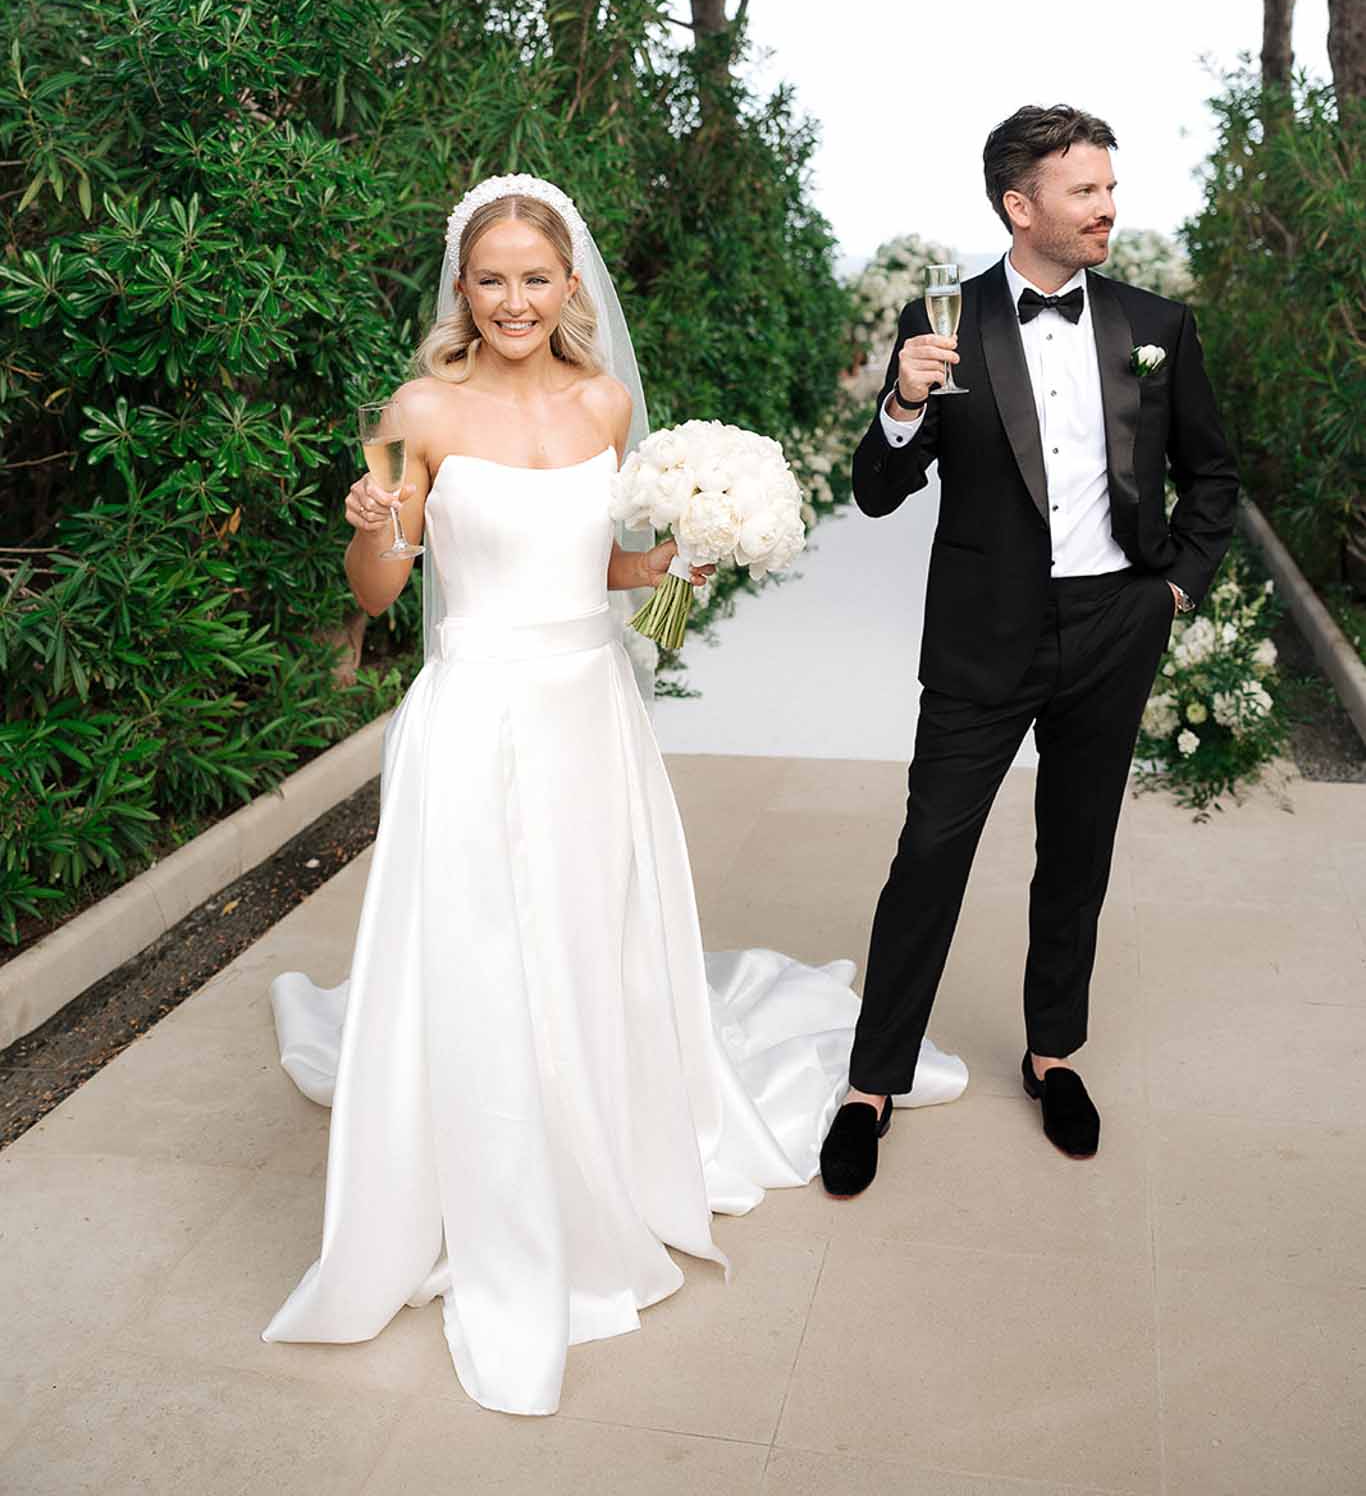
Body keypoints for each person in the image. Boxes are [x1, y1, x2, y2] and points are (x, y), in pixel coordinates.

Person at [262, 173, 967, 1416]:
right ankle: (485, 1172)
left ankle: (598, 1128)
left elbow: (614, 566)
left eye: (535, 278)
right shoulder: (410, 411)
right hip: (474, 710)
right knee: (480, 941)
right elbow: (377, 591)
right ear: (462, 286)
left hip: (589, 708)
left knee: (587, 931)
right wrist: (374, 519)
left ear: (568, 284)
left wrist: (694, 557)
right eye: (492, 279)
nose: (514, 300)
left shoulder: (607, 401)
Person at [819, 106, 1238, 1198]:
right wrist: (904, 398)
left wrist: (1174, 589)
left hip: (1114, 626)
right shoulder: (942, 320)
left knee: (1078, 850)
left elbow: (1213, 474)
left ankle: (1053, 1054)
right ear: (1020, 205)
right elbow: (875, 491)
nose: (1107, 208)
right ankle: (871, 1083)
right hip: (982, 636)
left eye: (1109, 187)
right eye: (1084, 190)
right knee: (928, 853)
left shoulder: (1156, 323)